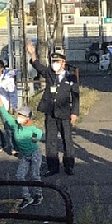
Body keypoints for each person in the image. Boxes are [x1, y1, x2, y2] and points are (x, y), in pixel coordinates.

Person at [27, 42, 79, 177]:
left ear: (63, 62)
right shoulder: (50, 73)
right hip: (50, 112)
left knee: (67, 140)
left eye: (57, 61)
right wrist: (32, 53)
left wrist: (74, 113)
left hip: (65, 113)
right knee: (51, 141)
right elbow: (38, 66)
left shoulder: (71, 76)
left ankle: (69, 166)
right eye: (53, 61)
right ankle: (52, 167)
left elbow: (75, 96)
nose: (54, 63)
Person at [0, 93, 43, 209]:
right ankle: (27, 197)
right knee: (20, 175)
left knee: (34, 175)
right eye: (19, 114)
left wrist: (34, 138)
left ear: (28, 118)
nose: (19, 117)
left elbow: (38, 135)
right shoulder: (16, 125)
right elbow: (6, 117)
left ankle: (38, 194)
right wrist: (0, 103)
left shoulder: (33, 129)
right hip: (24, 155)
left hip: (34, 154)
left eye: (22, 115)